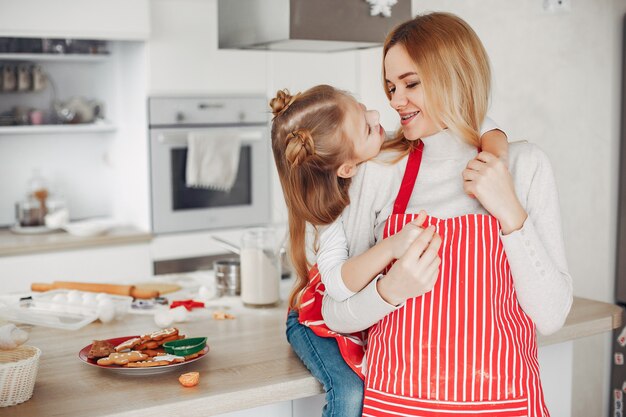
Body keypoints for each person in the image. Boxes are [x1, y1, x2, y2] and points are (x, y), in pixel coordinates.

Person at [319, 12, 573, 416]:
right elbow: (335, 311)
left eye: (410, 84)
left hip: (502, 405)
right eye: (390, 86)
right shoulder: (381, 169)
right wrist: (390, 292)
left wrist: (509, 210)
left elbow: (552, 315)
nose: (394, 101)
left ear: (455, 75)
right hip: (399, 405)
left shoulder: (524, 164)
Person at [269, 84, 507, 416]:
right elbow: (336, 285)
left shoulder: (381, 155)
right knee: (351, 392)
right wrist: (391, 247)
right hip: (314, 322)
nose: (377, 114)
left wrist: (495, 151)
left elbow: (462, 123)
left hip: (357, 319)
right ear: (347, 168)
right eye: (367, 125)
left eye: (363, 107)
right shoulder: (328, 217)